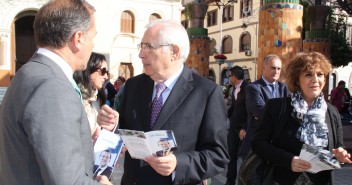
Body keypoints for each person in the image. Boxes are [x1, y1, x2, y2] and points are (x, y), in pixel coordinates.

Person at [0, 1, 117, 184]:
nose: (93, 44)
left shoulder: (29, 72)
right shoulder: (52, 85)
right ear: (78, 38)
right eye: (93, 36)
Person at [117, 19, 229, 185]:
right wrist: (111, 126)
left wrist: (178, 163)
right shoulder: (133, 85)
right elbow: (124, 131)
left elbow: (218, 155)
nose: (141, 54)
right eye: (141, 46)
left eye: (148, 46)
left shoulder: (206, 92)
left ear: (174, 52)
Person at [252, 52, 352, 184]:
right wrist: (289, 160)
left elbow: (337, 149)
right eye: (308, 74)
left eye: (320, 74)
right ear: (297, 80)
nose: (315, 80)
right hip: (282, 180)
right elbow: (258, 143)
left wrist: (340, 155)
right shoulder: (277, 107)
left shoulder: (332, 111)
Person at [240, 54, 290, 158]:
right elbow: (260, 112)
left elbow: (291, 111)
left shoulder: (284, 88)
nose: (276, 71)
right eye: (273, 67)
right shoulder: (253, 88)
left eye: (278, 68)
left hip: (278, 144)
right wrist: (282, 115)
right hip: (257, 143)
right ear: (264, 67)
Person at [74, 52, 109, 139]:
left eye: (107, 73)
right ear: (89, 69)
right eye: (103, 71)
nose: (106, 77)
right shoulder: (74, 95)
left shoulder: (98, 99)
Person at [225, 66, 249, 185]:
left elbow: (251, 111)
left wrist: (245, 128)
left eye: (229, 76)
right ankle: (230, 181)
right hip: (233, 128)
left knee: (245, 158)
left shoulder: (248, 88)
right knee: (231, 156)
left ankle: (244, 181)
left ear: (234, 76)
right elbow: (233, 107)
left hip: (244, 130)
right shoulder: (233, 88)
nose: (229, 78)